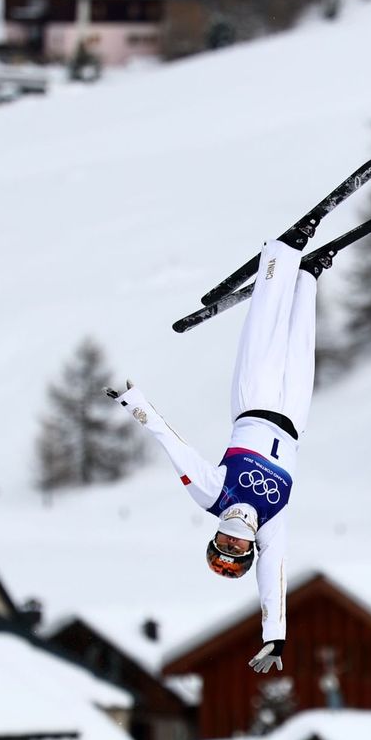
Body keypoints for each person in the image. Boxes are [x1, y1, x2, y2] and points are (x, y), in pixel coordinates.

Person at [105, 237, 320, 674]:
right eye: (237, 548)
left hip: (253, 401)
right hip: (294, 416)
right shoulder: (271, 525)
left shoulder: (211, 494)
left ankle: (283, 253)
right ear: (248, 551)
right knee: (300, 345)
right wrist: (274, 637)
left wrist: (135, 404)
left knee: (265, 329)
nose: (233, 539)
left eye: (222, 543)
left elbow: (172, 443)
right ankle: (311, 275)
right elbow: (272, 580)